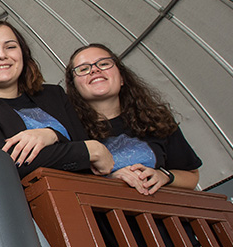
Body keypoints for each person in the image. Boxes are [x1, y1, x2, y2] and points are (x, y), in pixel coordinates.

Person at [0, 20, 114, 179]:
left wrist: (112, 173)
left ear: (23, 54)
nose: (1, 55)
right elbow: (4, 161)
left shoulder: (54, 94)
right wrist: (59, 136)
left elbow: (88, 153)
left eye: (10, 47)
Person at [65, 44, 201, 195]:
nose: (95, 70)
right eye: (83, 69)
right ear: (74, 88)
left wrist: (164, 176)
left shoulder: (155, 120)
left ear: (122, 78)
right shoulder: (67, 132)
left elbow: (192, 176)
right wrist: (109, 180)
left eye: (104, 64)